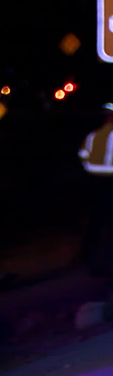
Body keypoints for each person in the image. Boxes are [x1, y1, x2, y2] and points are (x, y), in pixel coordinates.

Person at [80, 103, 113, 276]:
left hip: (94, 181)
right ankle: (104, 260)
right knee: (108, 220)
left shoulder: (93, 135)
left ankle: (88, 255)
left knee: (96, 218)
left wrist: (91, 168)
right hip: (110, 182)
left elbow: (83, 155)